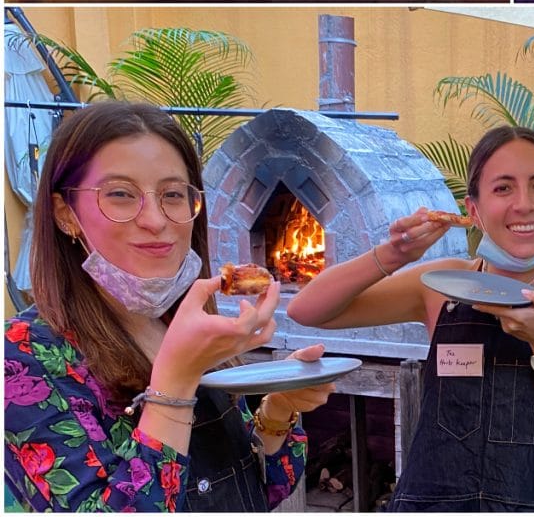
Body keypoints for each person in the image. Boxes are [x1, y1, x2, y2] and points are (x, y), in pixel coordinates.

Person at [4, 100, 335, 512]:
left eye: (173, 194)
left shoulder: (184, 322)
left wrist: (279, 410)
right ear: (65, 213)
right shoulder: (21, 359)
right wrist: (174, 385)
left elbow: (265, 488)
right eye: (121, 194)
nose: (157, 220)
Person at [288, 126, 534, 512]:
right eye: (503, 188)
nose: (525, 204)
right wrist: (395, 255)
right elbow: (307, 309)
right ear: (472, 210)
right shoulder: (444, 285)